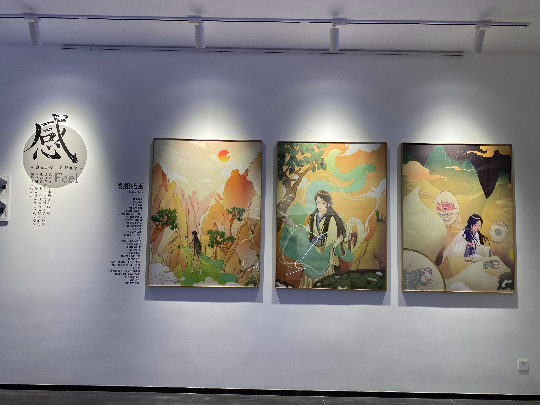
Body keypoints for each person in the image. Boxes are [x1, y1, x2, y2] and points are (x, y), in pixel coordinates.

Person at [299, 190, 347, 288]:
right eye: (317, 202)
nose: (319, 205)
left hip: (326, 253)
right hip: (314, 250)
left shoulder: (331, 219)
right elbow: (307, 232)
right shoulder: (314, 217)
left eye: (322, 202)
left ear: (328, 204)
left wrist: (324, 255)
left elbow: (331, 240)